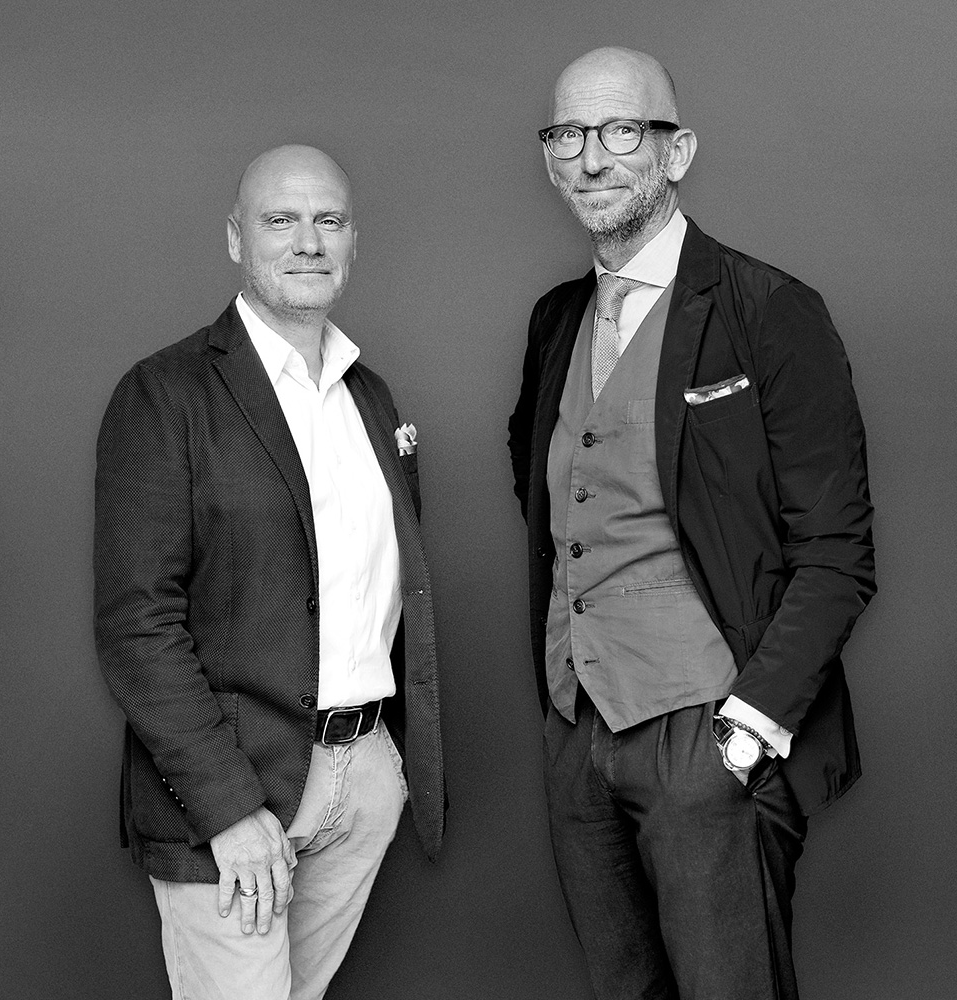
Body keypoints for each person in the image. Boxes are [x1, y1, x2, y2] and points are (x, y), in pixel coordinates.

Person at [507, 48, 874, 1000]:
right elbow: (555, 503)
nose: (592, 157)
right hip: (578, 729)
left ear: (677, 153)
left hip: (710, 732)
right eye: (568, 135)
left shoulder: (770, 310)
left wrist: (747, 730)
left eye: (621, 131)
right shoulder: (555, 322)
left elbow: (837, 553)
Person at [94, 144, 444, 1000]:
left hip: (362, 778)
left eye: (329, 220)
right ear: (235, 238)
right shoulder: (164, 394)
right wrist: (228, 809)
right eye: (280, 220)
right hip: (234, 792)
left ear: (353, 240)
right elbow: (137, 625)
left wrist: (386, 771)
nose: (307, 241)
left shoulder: (371, 398)